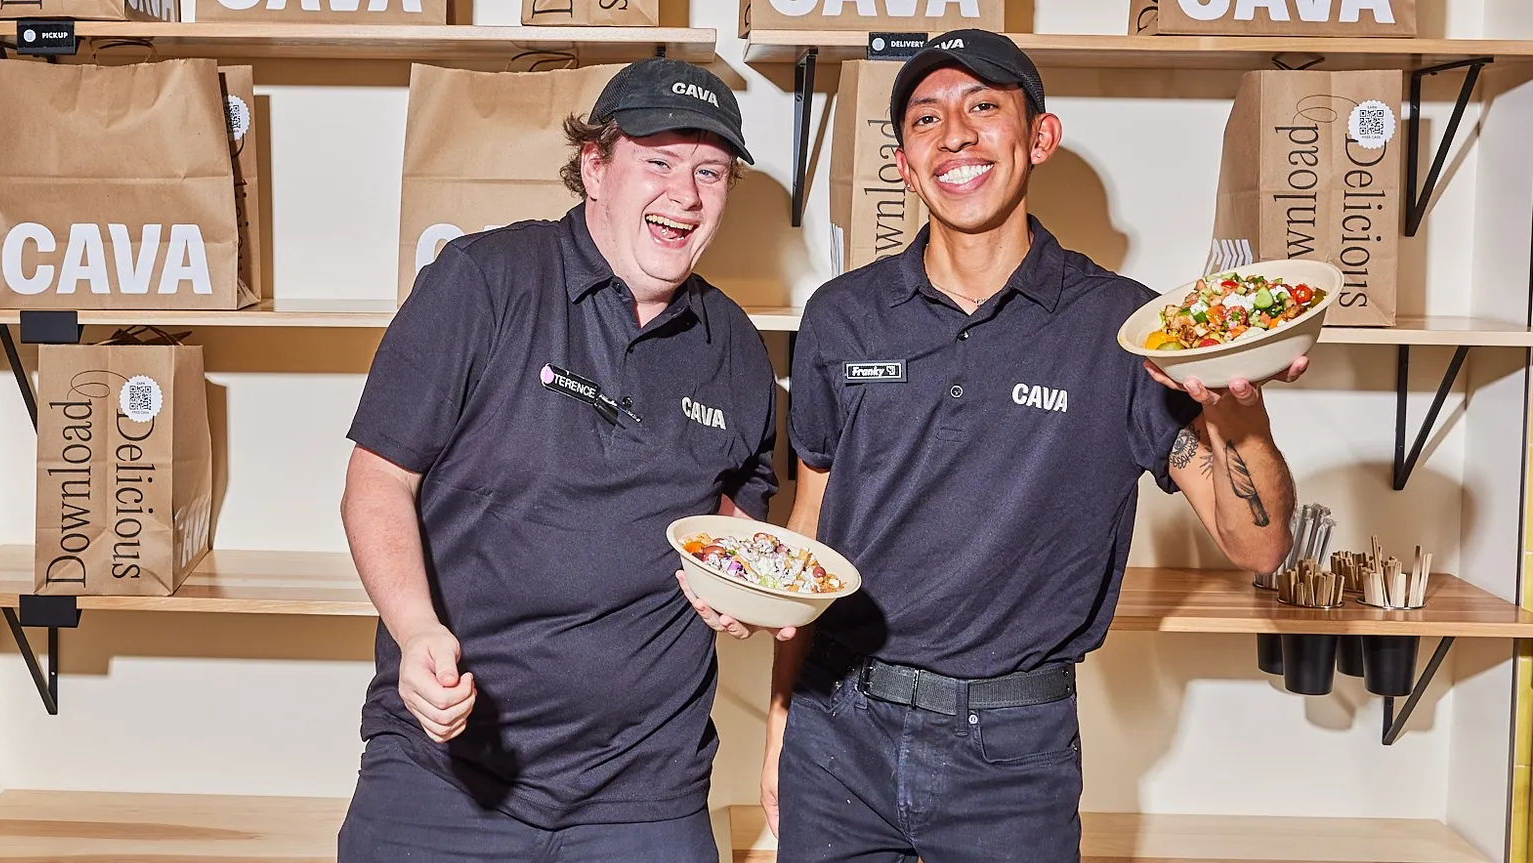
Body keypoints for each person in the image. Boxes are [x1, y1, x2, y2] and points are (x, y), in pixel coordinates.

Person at [679, 29, 1304, 862]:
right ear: (904, 162)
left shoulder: (1124, 329)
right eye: (928, 120)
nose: (957, 135)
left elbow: (1257, 543)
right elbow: (812, 524)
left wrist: (1241, 407)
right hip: (839, 730)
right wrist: (782, 717)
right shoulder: (841, 315)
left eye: (984, 107)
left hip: (1013, 754)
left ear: (1040, 136)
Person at [337, 57, 777, 863]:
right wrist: (415, 628)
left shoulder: (740, 351)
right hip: (446, 771)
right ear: (595, 167)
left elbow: (735, 532)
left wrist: (738, 590)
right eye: (659, 161)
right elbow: (377, 481)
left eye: (710, 171)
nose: (685, 194)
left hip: (646, 794)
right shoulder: (482, 281)